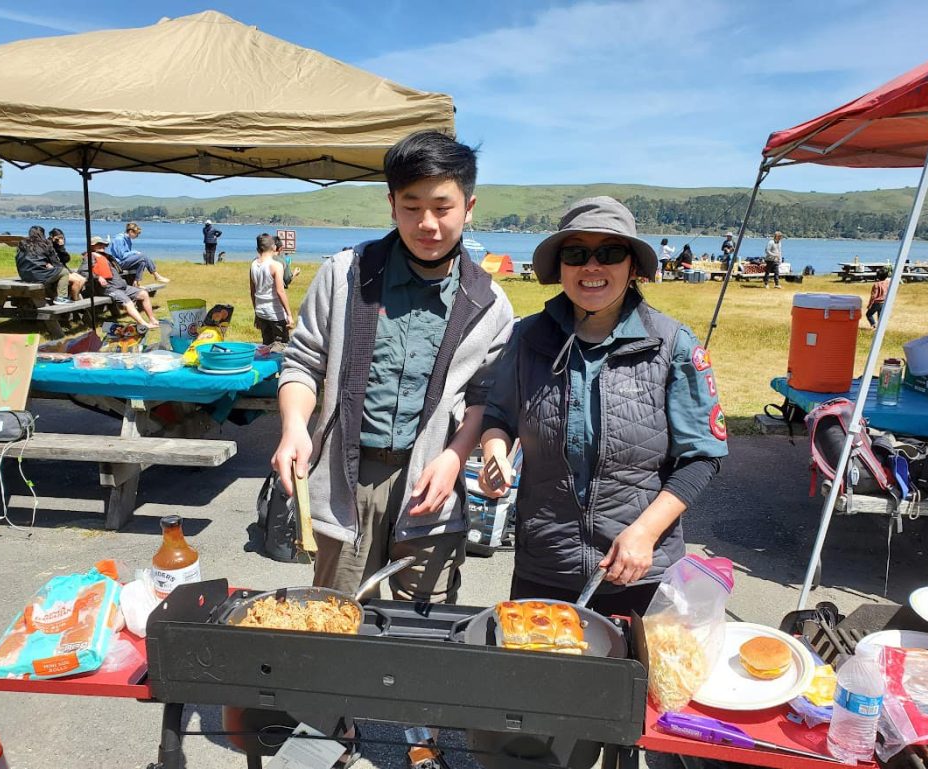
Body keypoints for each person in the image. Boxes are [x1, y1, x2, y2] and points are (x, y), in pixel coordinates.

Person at [271, 130, 514, 765]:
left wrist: (458, 453)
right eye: (412, 206)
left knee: (425, 613)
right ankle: (330, 727)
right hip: (345, 476)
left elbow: (485, 396)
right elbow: (301, 361)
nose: (427, 223)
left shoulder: (488, 302)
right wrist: (295, 426)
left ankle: (420, 735)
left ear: (469, 207)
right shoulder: (344, 274)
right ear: (390, 204)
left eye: (442, 206)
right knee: (334, 607)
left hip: (429, 478)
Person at [477, 196, 728, 618]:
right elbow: (498, 416)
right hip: (544, 561)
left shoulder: (673, 345)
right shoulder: (526, 338)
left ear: (633, 267)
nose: (592, 267)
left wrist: (645, 533)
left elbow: (702, 456)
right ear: (561, 267)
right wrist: (494, 452)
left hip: (640, 569)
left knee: (637, 680)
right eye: (576, 254)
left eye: (609, 253)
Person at [81, 236, 159, 327]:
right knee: (128, 303)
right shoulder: (90, 257)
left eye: (103, 244)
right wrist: (98, 277)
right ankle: (144, 324)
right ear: (92, 246)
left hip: (121, 286)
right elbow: (82, 272)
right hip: (110, 288)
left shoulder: (104, 256)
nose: (102, 246)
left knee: (144, 294)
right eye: (98, 244)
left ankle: (152, 319)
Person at [15, 225, 86, 303]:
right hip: (39, 275)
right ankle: (61, 298)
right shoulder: (44, 244)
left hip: (24, 275)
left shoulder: (22, 244)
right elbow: (56, 262)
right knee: (64, 272)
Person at [250, 233, 293, 344]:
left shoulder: (253, 265)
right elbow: (280, 291)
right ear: (274, 247)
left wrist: (256, 313)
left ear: (258, 248)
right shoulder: (276, 265)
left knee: (266, 345)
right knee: (281, 345)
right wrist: (289, 314)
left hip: (261, 312)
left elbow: (252, 292)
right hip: (276, 313)